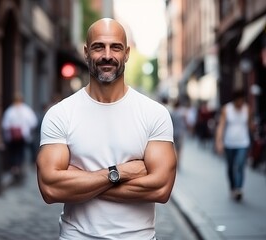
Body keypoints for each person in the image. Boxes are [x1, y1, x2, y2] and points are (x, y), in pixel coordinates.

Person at [36, 18, 177, 240]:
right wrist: (122, 172)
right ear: (86, 52)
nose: (107, 55)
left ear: (127, 53)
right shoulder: (60, 114)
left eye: (116, 47)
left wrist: (83, 181)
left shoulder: (154, 114)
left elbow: (160, 189)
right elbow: (51, 189)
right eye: (98, 46)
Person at [215, 89, 253, 201]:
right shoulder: (227, 109)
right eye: (239, 101)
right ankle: (232, 187)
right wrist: (219, 141)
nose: (240, 103)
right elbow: (221, 126)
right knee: (231, 167)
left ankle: (238, 189)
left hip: (243, 142)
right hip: (229, 143)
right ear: (235, 100)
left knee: (240, 165)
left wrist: (253, 128)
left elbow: (250, 125)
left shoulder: (247, 109)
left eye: (242, 101)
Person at [2, 92, 38, 177]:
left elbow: (5, 125)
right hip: (23, 136)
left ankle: (14, 166)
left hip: (11, 137)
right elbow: (33, 122)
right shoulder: (26, 110)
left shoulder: (9, 111)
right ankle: (19, 166)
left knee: (13, 151)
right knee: (20, 151)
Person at [170, 100, 187, 168]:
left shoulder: (172, 113)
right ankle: (178, 163)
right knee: (179, 149)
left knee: (173, 149)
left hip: (173, 132)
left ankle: (174, 163)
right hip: (180, 133)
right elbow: (186, 123)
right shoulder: (182, 114)